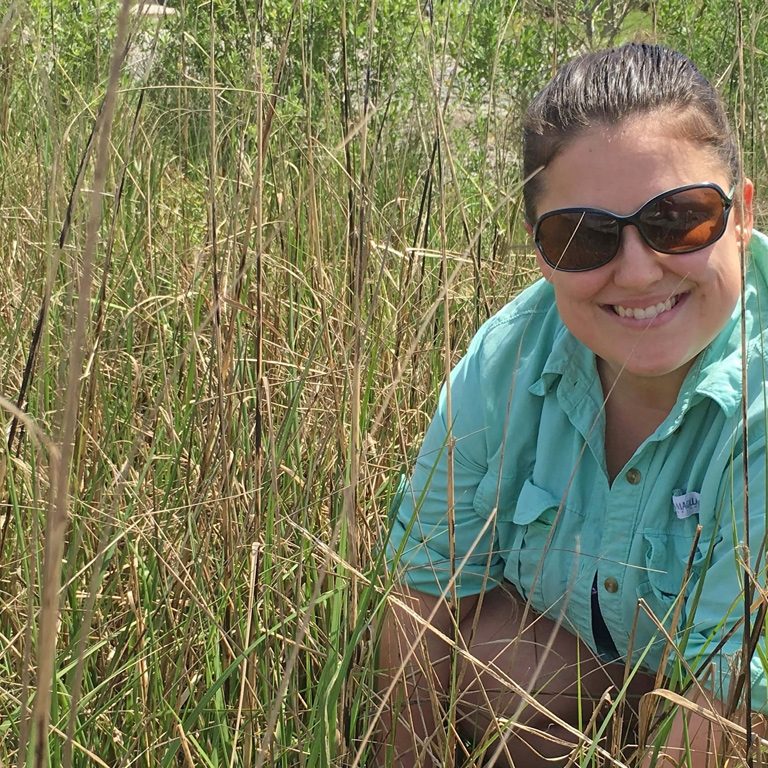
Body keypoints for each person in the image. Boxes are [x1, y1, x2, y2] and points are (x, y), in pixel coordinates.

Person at [377, 42, 768, 767]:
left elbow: (725, 697)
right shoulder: (506, 359)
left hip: (739, 702)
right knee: (492, 662)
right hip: (621, 672)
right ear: (540, 251)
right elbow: (424, 593)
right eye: (584, 237)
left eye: (679, 219)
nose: (638, 272)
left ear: (741, 214)